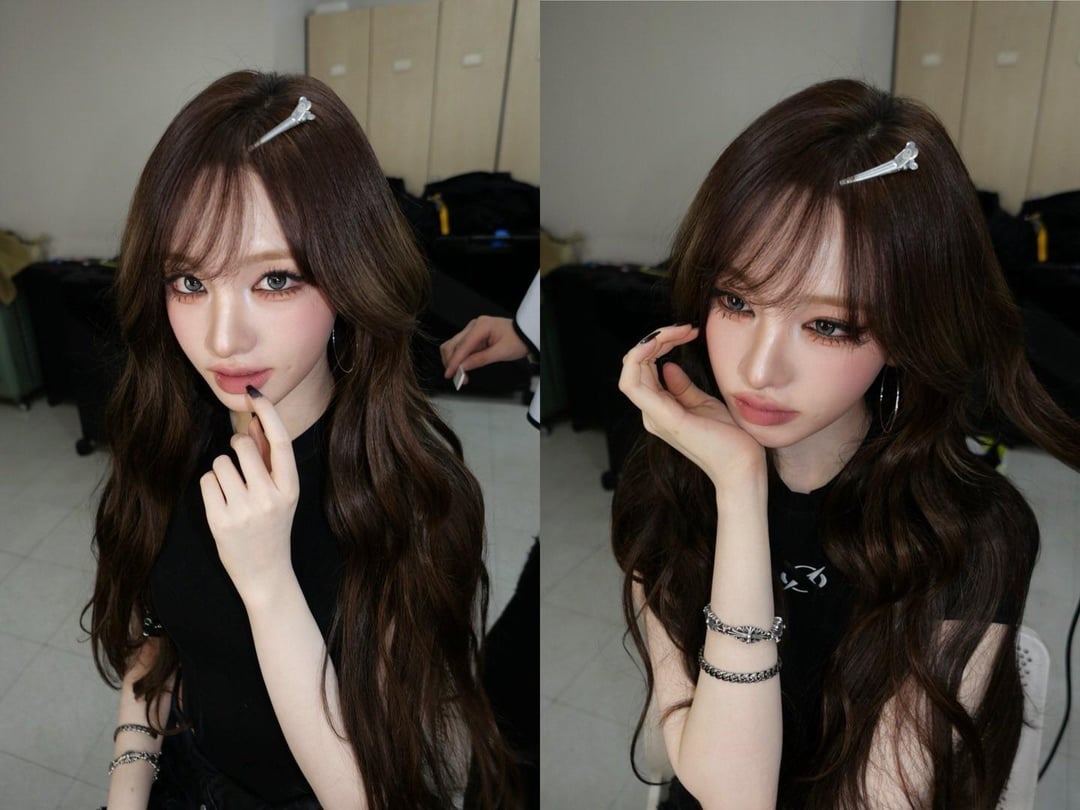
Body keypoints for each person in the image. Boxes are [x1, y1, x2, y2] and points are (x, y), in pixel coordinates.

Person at [611, 79, 1080, 810]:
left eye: (828, 325)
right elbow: (723, 788)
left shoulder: (969, 535)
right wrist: (739, 489)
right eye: (736, 300)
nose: (759, 370)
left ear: (907, 331)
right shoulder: (669, 482)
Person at [84, 71, 516, 810]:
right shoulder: (171, 436)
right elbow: (158, 642)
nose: (223, 338)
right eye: (189, 281)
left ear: (351, 275)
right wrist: (127, 788)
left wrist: (268, 583)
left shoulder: (409, 498)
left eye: (276, 280)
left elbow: (373, 791)